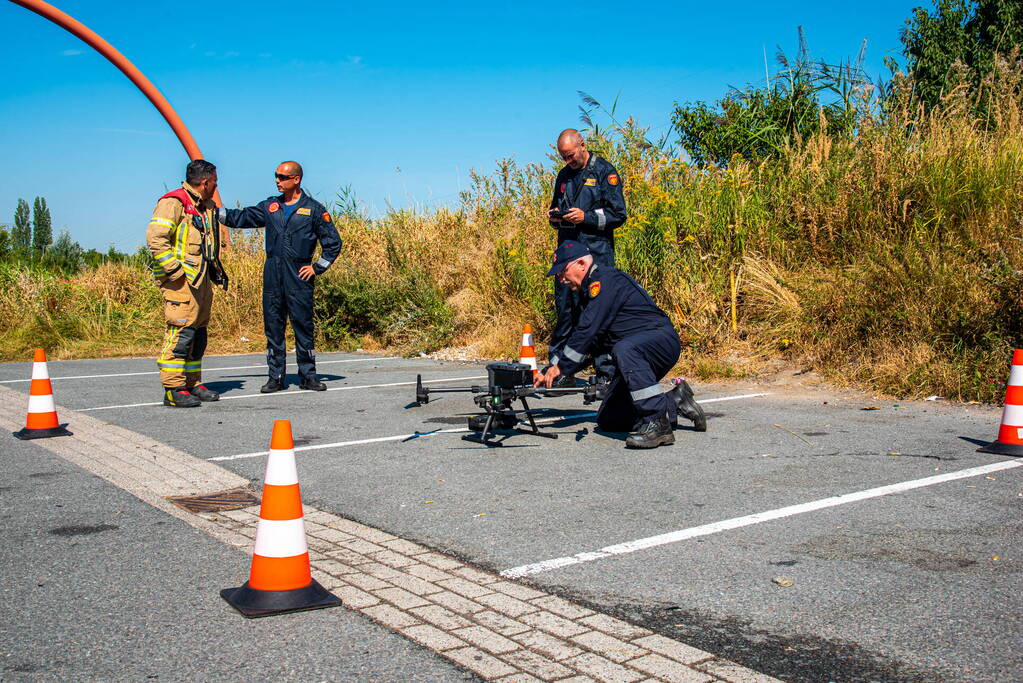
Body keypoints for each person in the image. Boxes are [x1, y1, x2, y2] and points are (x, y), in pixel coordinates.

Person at [534, 241, 706, 448]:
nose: (561, 279)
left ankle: (657, 424)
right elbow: (586, 341)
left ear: (580, 264)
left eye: (562, 272)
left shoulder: (605, 281)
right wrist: (552, 371)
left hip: (659, 342)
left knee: (624, 348)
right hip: (635, 352)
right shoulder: (586, 291)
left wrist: (561, 367)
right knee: (610, 419)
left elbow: (587, 331)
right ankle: (675, 400)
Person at [218, 161, 341, 392]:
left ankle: (308, 376)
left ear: (296, 180)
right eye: (276, 176)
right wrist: (213, 212)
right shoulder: (270, 206)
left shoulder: (314, 209)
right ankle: (276, 377)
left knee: (303, 327)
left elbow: (333, 243)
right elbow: (241, 217)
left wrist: (317, 267)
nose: (277, 180)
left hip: (299, 278)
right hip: (273, 276)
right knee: (273, 328)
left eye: (282, 177)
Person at [546, 128, 627, 386]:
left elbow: (618, 215)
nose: (568, 161)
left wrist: (586, 217)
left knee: (598, 311)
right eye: (563, 157)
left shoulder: (605, 171)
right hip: (568, 254)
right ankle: (559, 370)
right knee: (566, 311)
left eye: (570, 156)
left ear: (582, 144)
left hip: (596, 255)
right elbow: (556, 211)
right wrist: (556, 217)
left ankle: (605, 373)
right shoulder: (563, 175)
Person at [147, 159, 229, 407]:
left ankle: (192, 382)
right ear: (205, 182)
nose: (216, 186)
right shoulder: (173, 202)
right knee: (180, 333)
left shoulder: (205, 206)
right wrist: (175, 271)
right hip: (181, 282)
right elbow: (156, 239)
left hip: (201, 279)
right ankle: (173, 388)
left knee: (197, 335)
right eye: (215, 181)